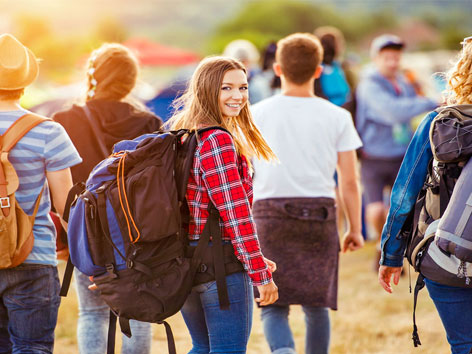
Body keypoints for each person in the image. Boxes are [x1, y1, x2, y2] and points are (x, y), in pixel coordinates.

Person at [251, 33, 364, 354]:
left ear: (277, 69)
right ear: (318, 71)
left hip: (268, 213)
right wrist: (353, 228)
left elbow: (244, 174)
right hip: (320, 213)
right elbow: (350, 181)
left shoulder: (255, 114)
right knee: (316, 305)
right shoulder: (338, 116)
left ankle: (283, 350)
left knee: (272, 303)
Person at [53, 43, 162, 354]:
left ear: (93, 75)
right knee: (139, 312)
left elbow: (58, 186)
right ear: (131, 79)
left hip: (84, 231)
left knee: (92, 313)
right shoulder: (149, 123)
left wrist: (69, 234)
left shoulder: (64, 119)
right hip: (136, 233)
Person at [166, 55, 279, 354]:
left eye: (242, 88)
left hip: (188, 263)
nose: (238, 96)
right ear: (207, 90)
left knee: (202, 348)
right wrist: (260, 274)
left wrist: (254, 258)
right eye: (226, 88)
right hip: (219, 268)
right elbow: (235, 213)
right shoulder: (217, 140)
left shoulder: (183, 133)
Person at [378, 36, 472, 354]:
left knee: (464, 343)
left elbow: (404, 194)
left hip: (446, 257)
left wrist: (391, 256)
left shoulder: (438, 122)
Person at [0, 33, 81, 353]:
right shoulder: (48, 131)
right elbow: (65, 208)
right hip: (34, 258)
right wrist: (86, 257)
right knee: (32, 347)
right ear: (26, 80)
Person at [355, 34, 437, 267]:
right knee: (376, 207)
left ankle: (392, 250)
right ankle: (382, 248)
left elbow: (410, 106)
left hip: (402, 151)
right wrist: (431, 102)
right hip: (374, 155)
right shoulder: (369, 84)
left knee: (403, 204)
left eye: (396, 58)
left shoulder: (402, 81)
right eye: (387, 58)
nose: (392, 62)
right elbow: (394, 112)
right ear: (375, 59)